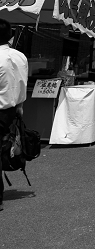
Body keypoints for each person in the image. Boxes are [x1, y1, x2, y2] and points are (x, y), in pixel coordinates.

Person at [0, 19, 28, 212]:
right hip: (9, 111)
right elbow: (21, 84)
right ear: (10, 36)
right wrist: (19, 105)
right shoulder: (20, 57)